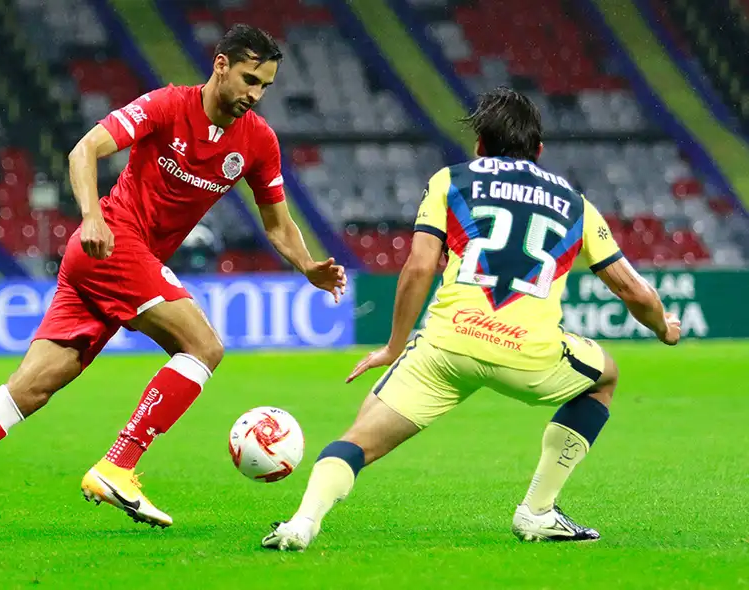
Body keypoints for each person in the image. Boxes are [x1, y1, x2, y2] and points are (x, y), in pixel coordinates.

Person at [0, 24, 346, 539]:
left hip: (109, 264)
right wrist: (92, 215)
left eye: (265, 87)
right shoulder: (167, 105)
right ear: (221, 65)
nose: (254, 96)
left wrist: (306, 265)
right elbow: (84, 150)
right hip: (112, 243)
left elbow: (277, 222)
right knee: (203, 347)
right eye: (250, 80)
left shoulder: (257, 141)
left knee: (27, 390)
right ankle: (118, 466)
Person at [262, 87, 681, 551]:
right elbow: (633, 291)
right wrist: (663, 327)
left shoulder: (451, 180)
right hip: (529, 355)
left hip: (447, 346)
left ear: (480, 144)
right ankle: (538, 511)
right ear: (538, 152)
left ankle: (302, 522)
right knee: (605, 377)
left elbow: (420, 267)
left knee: (358, 441)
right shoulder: (575, 205)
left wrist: (394, 346)